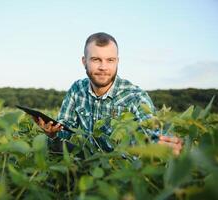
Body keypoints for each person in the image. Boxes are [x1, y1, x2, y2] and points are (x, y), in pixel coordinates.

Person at [34, 32, 182, 155]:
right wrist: (53, 134)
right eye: (96, 59)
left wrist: (164, 144)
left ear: (117, 61)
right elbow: (64, 132)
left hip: (122, 174)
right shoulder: (77, 90)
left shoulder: (135, 96)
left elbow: (153, 134)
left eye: (110, 60)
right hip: (85, 168)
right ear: (84, 62)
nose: (103, 67)